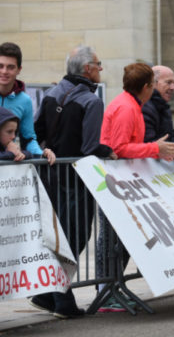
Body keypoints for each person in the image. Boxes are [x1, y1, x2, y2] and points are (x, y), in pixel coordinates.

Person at [29, 46, 114, 319]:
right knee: (75, 237)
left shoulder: (51, 94)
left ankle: (46, 294)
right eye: (98, 64)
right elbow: (90, 146)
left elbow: (36, 133)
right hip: (76, 179)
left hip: (50, 176)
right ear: (87, 68)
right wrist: (107, 150)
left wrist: (48, 152)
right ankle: (61, 300)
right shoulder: (92, 101)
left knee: (58, 237)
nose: (101, 69)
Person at [97, 63, 174, 312]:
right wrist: (155, 148)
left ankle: (113, 287)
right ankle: (106, 290)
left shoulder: (133, 104)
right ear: (146, 87)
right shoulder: (125, 107)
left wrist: (155, 147)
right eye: (153, 86)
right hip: (115, 179)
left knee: (121, 237)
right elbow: (121, 147)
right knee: (111, 236)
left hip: (125, 179)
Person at [0, 42, 42, 159]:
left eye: (10, 67)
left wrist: (42, 154)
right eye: (1, 66)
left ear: (19, 70)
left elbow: (29, 139)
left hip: (10, 169)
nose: (4, 71)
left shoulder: (25, 100)